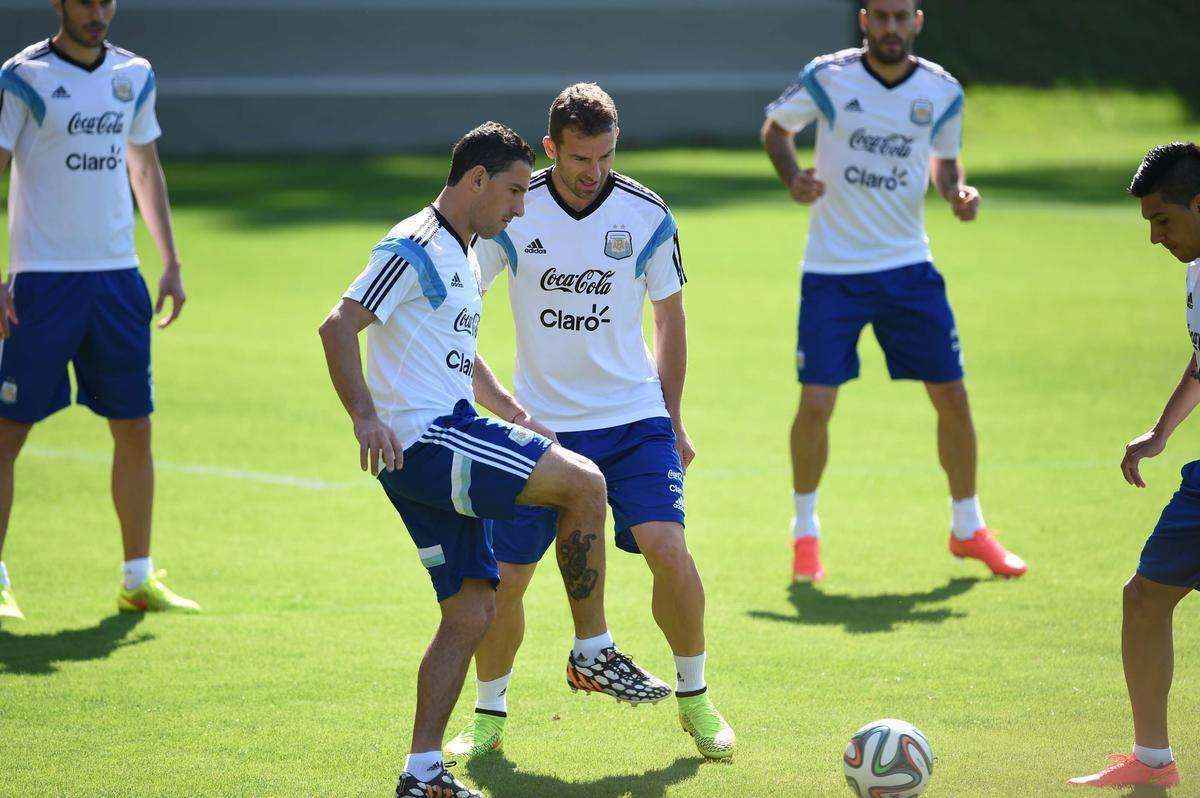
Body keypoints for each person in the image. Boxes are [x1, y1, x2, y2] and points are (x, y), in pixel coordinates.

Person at [318, 121, 668, 798]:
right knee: (585, 484)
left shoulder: (461, 252)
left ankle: (421, 773)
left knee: (472, 610)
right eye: (511, 191)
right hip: (428, 439)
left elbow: (453, 346)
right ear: (475, 180)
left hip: (436, 443)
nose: (519, 206)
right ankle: (592, 651)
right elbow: (339, 325)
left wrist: (510, 409)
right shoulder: (413, 243)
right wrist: (364, 415)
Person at [449, 83, 733, 763]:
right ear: (551, 147)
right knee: (507, 580)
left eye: (605, 156)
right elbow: (461, 303)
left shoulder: (645, 214)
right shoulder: (515, 209)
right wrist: (498, 410)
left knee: (668, 549)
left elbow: (670, 318)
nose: (593, 171)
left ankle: (694, 699)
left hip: (634, 420)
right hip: (540, 430)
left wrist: (671, 421)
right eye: (580, 158)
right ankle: (489, 714)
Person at [760, 0, 1026, 582]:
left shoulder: (942, 90)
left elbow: (945, 163)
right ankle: (805, 532)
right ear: (863, 21)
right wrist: (793, 178)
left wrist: (957, 192)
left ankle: (968, 527)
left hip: (908, 268)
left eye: (900, 17)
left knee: (952, 397)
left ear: (917, 21)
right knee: (817, 403)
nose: (889, 28)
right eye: (879, 17)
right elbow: (777, 129)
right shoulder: (828, 77)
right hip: (832, 271)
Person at [0, 0, 196, 620]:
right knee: (8, 433)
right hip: (42, 281)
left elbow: (144, 164)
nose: (98, 12)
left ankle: (137, 578)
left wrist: (169, 259)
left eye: (106, 1)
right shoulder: (22, 77)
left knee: (135, 427)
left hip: (116, 280)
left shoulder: (134, 74)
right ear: (60, 3)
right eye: (85, 1)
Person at [1067, 142, 1200, 791]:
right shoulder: (1197, 268)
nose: (1154, 238)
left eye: (1163, 221)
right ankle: (1153, 764)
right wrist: (1160, 432)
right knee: (1145, 598)